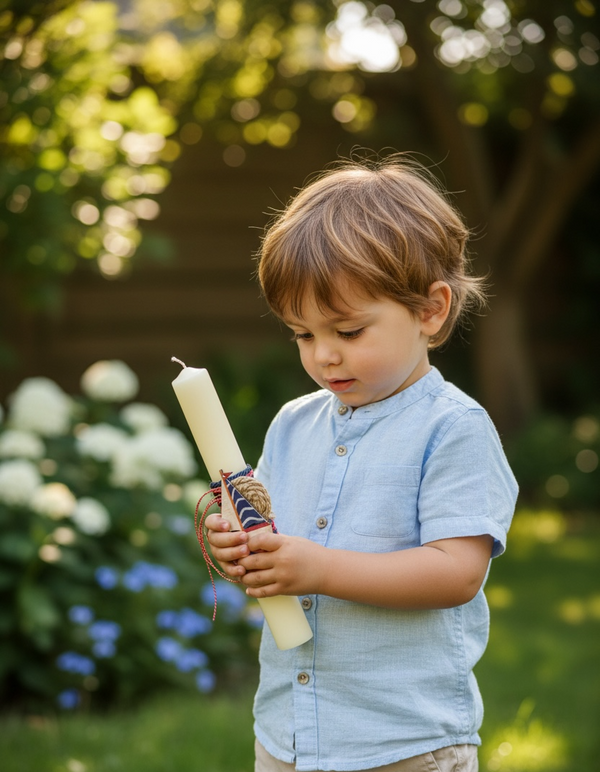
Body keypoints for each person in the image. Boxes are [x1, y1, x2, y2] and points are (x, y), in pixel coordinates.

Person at [205, 155, 518, 772]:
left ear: (430, 310)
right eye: (302, 334)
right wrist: (238, 548)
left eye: (349, 331)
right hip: (289, 732)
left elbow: (456, 573)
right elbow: (273, 545)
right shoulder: (294, 423)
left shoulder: (452, 429)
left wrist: (318, 567)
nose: (324, 356)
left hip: (400, 741)